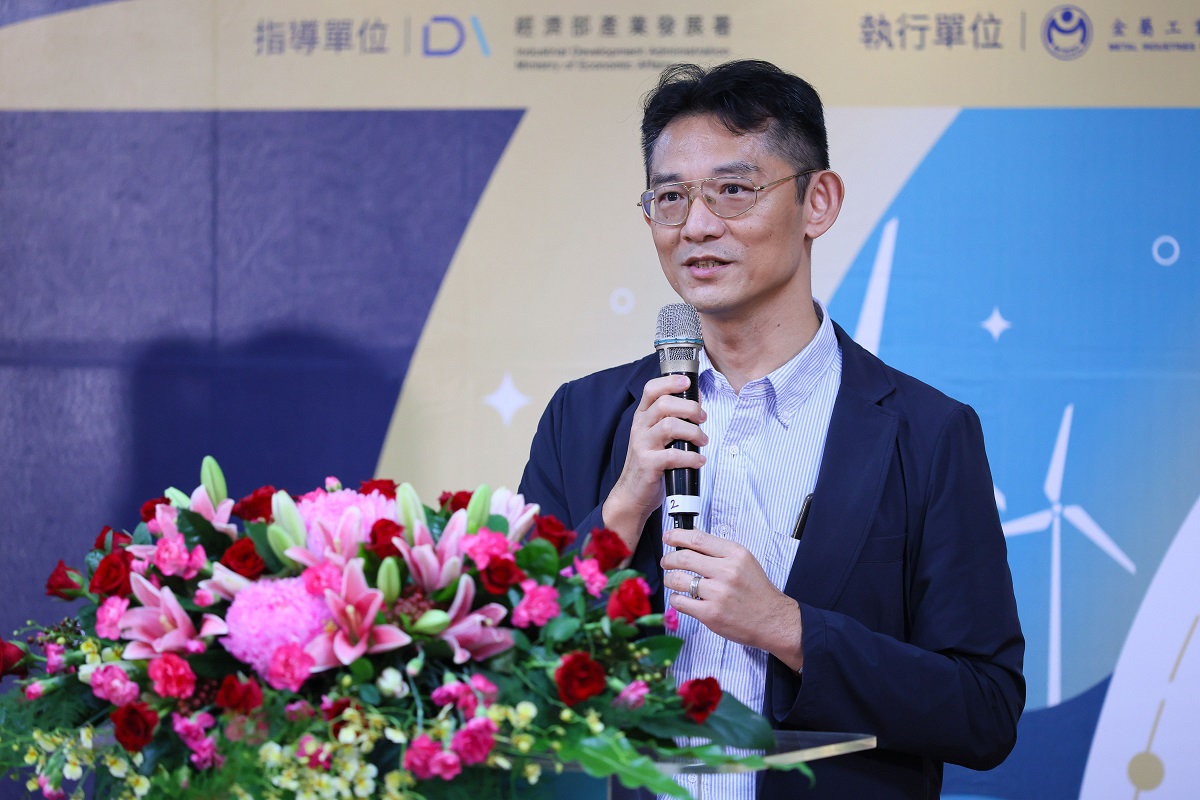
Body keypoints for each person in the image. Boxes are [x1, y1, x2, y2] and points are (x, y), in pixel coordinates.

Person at [519, 60, 1024, 799]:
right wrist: (622, 510)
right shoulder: (584, 418)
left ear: (818, 201)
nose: (697, 226)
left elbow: (984, 710)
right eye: (670, 197)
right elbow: (510, 668)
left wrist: (789, 628)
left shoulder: (925, 432)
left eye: (734, 190)